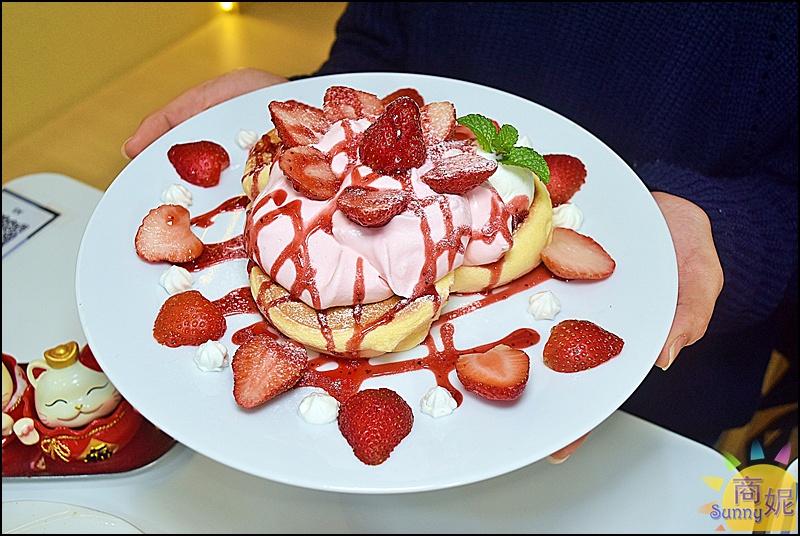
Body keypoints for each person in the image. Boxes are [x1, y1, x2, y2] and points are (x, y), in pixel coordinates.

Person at [123, 3, 797, 462]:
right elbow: (377, 44)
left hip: (654, 418)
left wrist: (728, 231)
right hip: (327, 438)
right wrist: (308, 114)